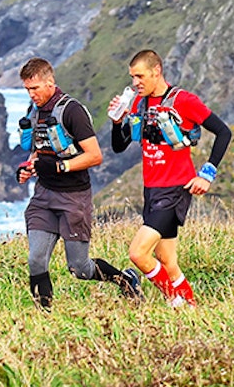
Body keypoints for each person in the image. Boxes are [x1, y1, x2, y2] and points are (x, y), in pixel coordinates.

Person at [108, 49, 233, 307]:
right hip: (151, 190)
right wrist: (116, 122)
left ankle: (174, 300)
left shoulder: (183, 100)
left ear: (157, 71)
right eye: (132, 77)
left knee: (138, 253)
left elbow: (223, 132)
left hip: (175, 189)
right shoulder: (138, 103)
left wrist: (207, 174)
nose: (135, 83)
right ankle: (191, 306)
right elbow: (119, 147)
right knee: (166, 259)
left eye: (140, 76)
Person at [15, 57, 141, 312]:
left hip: (73, 197)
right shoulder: (35, 110)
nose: (32, 94)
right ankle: (44, 317)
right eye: (27, 89)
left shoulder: (72, 111)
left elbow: (95, 155)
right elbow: (39, 149)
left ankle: (124, 280)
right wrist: (29, 167)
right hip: (43, 197)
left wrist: (61, 166)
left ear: (50, 82)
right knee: (36, 260)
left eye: (35, 88)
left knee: (79, 268)